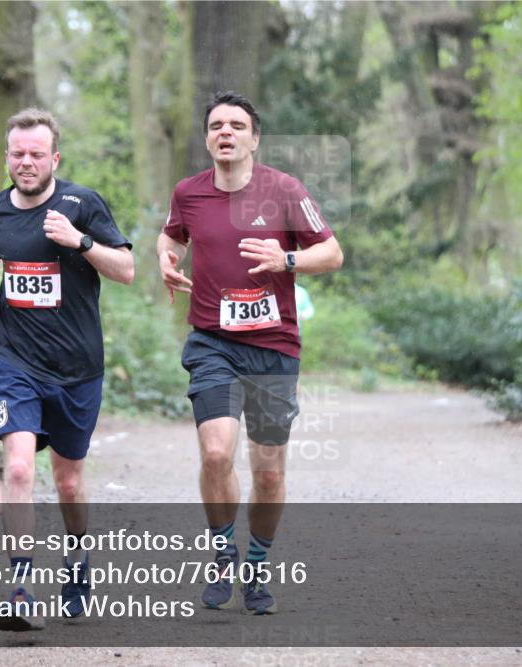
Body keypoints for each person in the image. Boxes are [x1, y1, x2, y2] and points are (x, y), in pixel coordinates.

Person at [157, 91, 343, 615]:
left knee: (269, 473)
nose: (226, 132)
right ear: (207, 137)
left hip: (274, 346)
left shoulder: (284, 190)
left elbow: (332, 252)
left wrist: (286, 258)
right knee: (216, 453)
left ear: (254, 138)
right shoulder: (188, 192)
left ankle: (256, 566)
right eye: (217, 125)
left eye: (237, 125)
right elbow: (170, 235)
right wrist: (167, 260)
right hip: (213, 342)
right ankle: (222, 554)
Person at [0, 108, 134, 631]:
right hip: (15, 361)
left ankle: (78, 559)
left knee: (68, 482)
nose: (26, 162)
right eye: (17, 153)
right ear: (7, 157)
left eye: (36, 154)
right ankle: (20, 587)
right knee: (18, 467)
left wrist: (80, 242)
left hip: (78, 368)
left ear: (54, 158)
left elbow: (127, 270)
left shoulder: (81, 204)